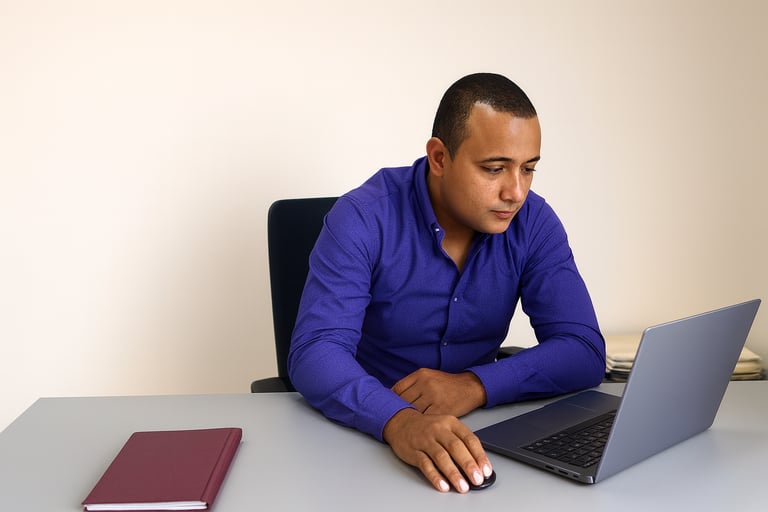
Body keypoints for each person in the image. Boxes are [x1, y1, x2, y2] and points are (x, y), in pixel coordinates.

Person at [288, 72, 605, 493]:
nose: (516, 192)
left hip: (484, 438)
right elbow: (315, 351)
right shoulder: (362, 218)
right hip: (362, 438)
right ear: (439, 157)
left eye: (528, 169)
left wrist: (474, 385)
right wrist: (400, 422)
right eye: (495, 168)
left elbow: (584, 350)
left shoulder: (534, 222)